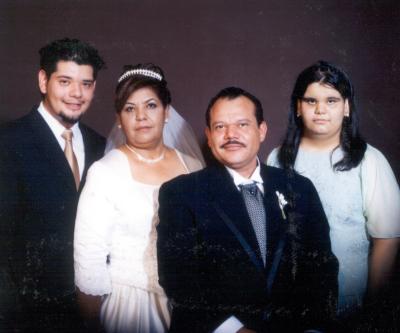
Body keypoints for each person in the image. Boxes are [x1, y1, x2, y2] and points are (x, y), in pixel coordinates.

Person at [157, 86, 339, 333]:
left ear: (261, 130)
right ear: (209, 136)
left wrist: (314, 328)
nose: (231, 134)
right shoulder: (181, 193)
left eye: (242, 124)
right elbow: (177, 277)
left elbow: (322, 268)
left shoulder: (299, 187)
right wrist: (233, 329)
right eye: (220, 127)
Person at [73, 63, 204, 333]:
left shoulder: (193, 166)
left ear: (167, 112)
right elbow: (88, 258)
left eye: (151, 106)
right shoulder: (105, 172)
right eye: (130, 109)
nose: (141, 116)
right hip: (130, 306)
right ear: (120, 119)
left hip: (189, 306)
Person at [267, 61, 400, 324]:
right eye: (311, 101)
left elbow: (387, 238)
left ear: (346, 107)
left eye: (331, 100)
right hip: (291, 304)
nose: (320, 110)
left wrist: (371, 305)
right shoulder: (278, 159)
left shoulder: (368, 160)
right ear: (297, 107)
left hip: (349, 305)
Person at [0, 38, 106, 332]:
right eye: (65, 81)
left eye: (86, 84)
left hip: (89, 314)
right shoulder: (8, 142)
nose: (76, 93)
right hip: (25, 316)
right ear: (43, 80)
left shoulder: (101, 146)